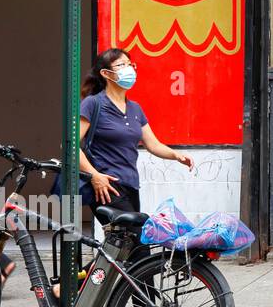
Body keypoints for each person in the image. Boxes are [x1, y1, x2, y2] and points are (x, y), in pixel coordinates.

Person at [77, 48, 193, 216]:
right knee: (132, 237)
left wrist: (177, 156)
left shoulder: (135, 108)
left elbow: (153, 144)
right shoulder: (93, 103)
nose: (128, 69)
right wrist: (94, 176)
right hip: (107, 184)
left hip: (131, 185)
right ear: (106, 73)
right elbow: (70, 144)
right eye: (121, 65)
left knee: (124, 240)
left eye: (130, 64)